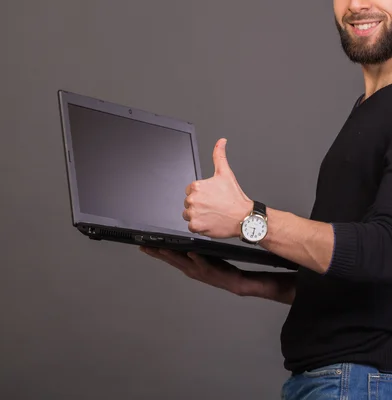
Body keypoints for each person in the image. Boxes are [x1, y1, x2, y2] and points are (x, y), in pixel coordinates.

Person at [141, 0, 392, 398]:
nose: (358, 4)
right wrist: (244, 282)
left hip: (360, 382)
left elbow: (384, 251)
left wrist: (248, 219)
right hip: (334, 379)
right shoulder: (371, 108)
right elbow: (357, 277)